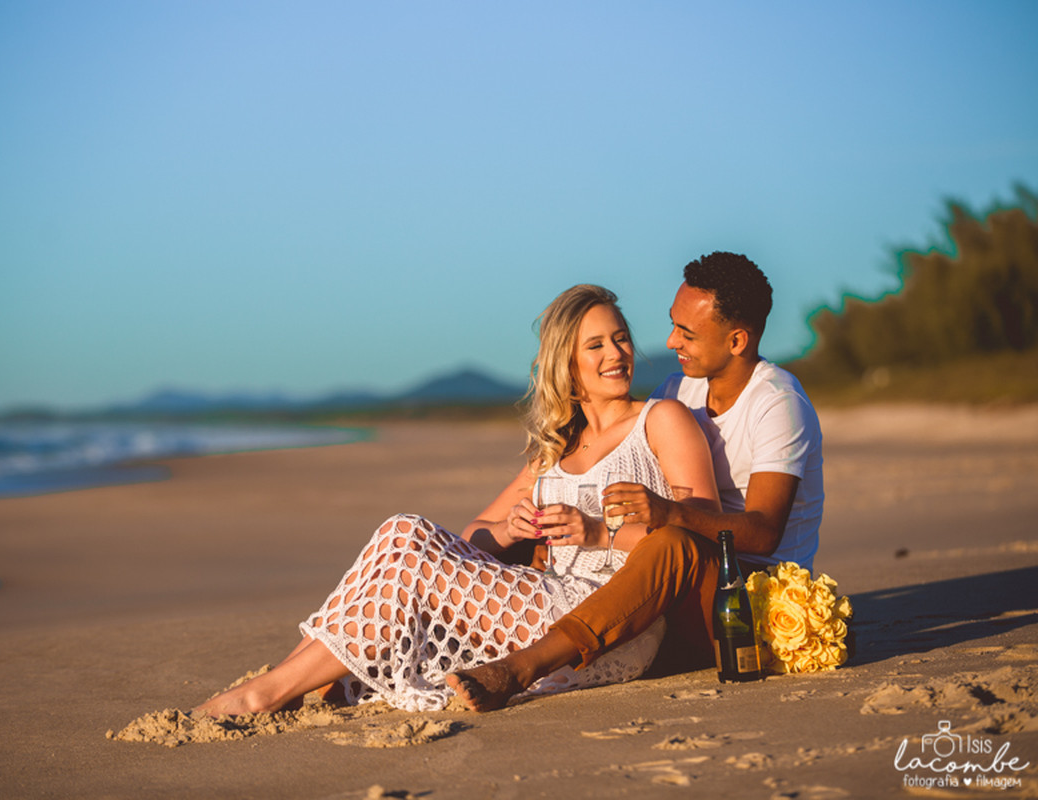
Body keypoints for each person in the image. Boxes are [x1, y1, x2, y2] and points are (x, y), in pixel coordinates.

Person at [195, 284, 720, 716]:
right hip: (544, 597)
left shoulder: (660, 420)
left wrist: (597, 532)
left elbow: (700, 537)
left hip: (612, 626)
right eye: (596, 345)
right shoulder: (556, 450)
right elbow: (471, 541)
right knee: (402, 531)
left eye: (621, 339)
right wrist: (512, 531)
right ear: (567, 362)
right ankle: (288, 682)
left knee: (415, 573)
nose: (616, 355)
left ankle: (267, 692)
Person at [447, 252, 824, 712]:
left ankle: (524, 667)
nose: (669, 341)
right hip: (668, 580)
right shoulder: (678, 390)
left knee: (672, 543)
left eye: (687, 333)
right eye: (672, 325)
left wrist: (664, 514)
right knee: (541, 535)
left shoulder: (778, 405)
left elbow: (763, 532)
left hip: (745, 595)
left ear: (737, 340)